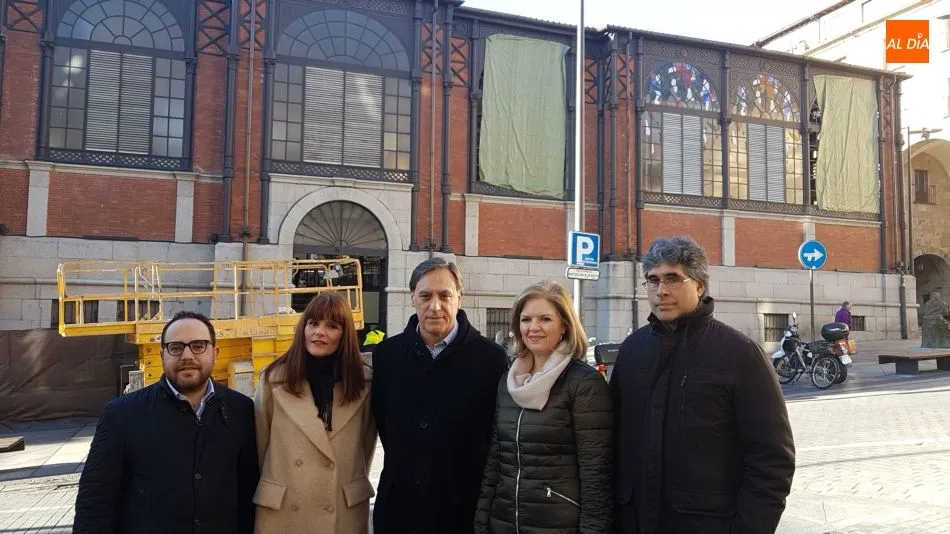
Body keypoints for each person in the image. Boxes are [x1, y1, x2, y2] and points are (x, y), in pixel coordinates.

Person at [611, 236, 795, 534]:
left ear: (699, 285)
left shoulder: (739, 354)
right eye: (653, 280)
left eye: (673, 278)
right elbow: (615, 444)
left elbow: (772, 460)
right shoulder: (632, 349)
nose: (662, 290)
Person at [73, 311, 259, 534]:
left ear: (215, 352)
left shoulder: (241, 410)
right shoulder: (121, 415)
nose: (187, 355)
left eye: (198, 345)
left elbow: (250, 493)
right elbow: (95, 500)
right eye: (176, 347)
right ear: (162, 355)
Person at [371, 257, 509, 533]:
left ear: (459, 297)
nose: (435, 306)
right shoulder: (387, 355)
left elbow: (496, 437)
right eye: (425, 295)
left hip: (463, 513)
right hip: (400, 511)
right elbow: (385, 425)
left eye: (445, 295)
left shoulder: (491, 359)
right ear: (412, 299)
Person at [476, 281, 613, 534]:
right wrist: (482, 521)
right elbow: (496, 462)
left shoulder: (583, 384)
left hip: (559, 525)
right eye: (526, 319)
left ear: (564, 325)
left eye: (545, 319)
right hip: (505, 523)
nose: (534, 327)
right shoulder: (509, 382)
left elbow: (596, 475)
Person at [253, 292, 376, 533]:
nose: (319, 332)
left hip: (342, 510)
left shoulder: (365, 382)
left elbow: (365, 448)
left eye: (331, 326)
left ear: (345, 335)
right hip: (284, 511)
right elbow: (260, 445)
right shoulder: (273, 379)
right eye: (313, 323)